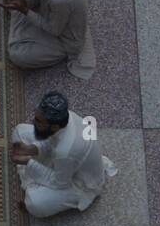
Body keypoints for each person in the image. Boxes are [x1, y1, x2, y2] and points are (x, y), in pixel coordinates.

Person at [12, 90, 117, 218]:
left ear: (54, 127)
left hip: (77, 182)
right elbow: (51, 140)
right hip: (64, 161)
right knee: (20, 131)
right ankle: (34, 177)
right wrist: (32, 149)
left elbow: (59, 183)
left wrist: (29, 163)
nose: (34, 123)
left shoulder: (66, 151)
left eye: (39, 122)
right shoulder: (68, 117)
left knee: (34, 202)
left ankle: (35, 180)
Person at [2, 0, 95, 80]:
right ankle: (20, 30)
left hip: (65, 38)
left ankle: (21, 32)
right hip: (49, 10)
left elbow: (54, 30)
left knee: (17, 55)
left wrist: (25, 10)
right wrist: (25, 0)